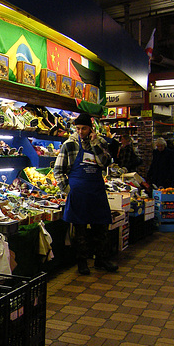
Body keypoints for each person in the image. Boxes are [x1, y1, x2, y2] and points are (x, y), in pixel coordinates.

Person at [53, 112, 118, 275]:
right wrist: (67, 189)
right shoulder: (69, 145)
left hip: (96, 191)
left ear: (91, 128)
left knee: (101, 227)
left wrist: (95, 143)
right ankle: (82, 263)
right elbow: (58, 170)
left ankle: (101, 259)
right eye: (78, 128)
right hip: (78, 193)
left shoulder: (101, 142)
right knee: (79, 230)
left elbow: (105, 163)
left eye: (84, 128)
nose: (81, 132)